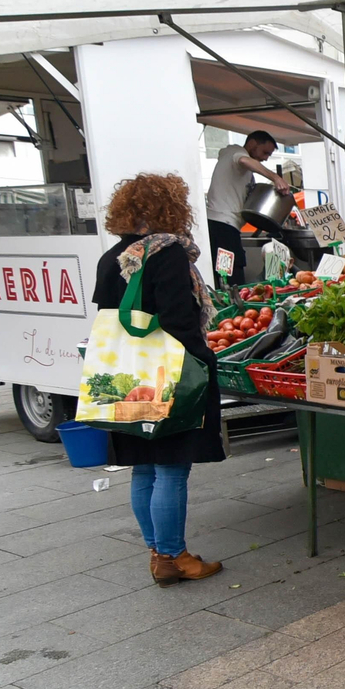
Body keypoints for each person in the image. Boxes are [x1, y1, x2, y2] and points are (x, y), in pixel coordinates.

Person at [93, 173, 225, 587]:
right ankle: (173, 556)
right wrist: (204, 361)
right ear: (172, 209)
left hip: (125, 378)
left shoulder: (112, 256)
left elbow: (106, 320)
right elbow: (177, 320)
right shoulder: (166, 255)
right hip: (165, 376)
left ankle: (157, 552)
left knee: (142, 468)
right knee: (171, 469)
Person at [205, 130, 289, 285]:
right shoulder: (234, 151)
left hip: (229, 225)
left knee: (229, 273)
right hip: (221, 224)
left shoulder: (245, 172)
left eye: (269, 155)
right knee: (231, 276)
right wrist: (275, 177)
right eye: (264, 152)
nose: (265, 158)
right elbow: (244, 160)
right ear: (252, 143)